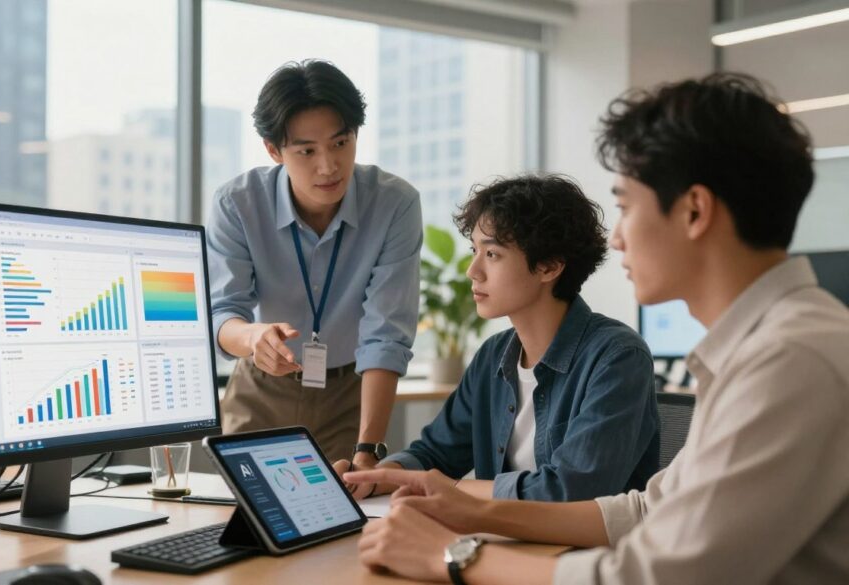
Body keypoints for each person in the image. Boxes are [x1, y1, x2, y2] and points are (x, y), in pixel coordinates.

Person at [346, 73, 849, 585]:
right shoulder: (761, 350)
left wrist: (455, 556)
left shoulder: (792, 359)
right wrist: (469, 511)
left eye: (627, 207)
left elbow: (662, 575)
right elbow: (646, 511)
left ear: (695, 210)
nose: (619, 238)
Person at [335, 175, 659, 503]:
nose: (472, 270)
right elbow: (435, 454)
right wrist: (374, 479)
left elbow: (571, 491)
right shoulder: (494, 355)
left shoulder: (617, 357)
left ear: (549, 266)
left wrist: (450, 490)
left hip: (585, 552)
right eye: (475, 250)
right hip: (503, 541)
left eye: (492, 254)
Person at [207, 60, 422, 466]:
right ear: (274, 150)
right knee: (242, 520)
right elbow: (221, 314)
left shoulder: (395, 204)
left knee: (349, 516)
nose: (328, 166)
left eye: (341, 143)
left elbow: (386, 335)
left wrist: (368, 447)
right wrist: (254, 338)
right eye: (306, 150)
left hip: (351, 392)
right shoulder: (237, 204)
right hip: (263, 385)